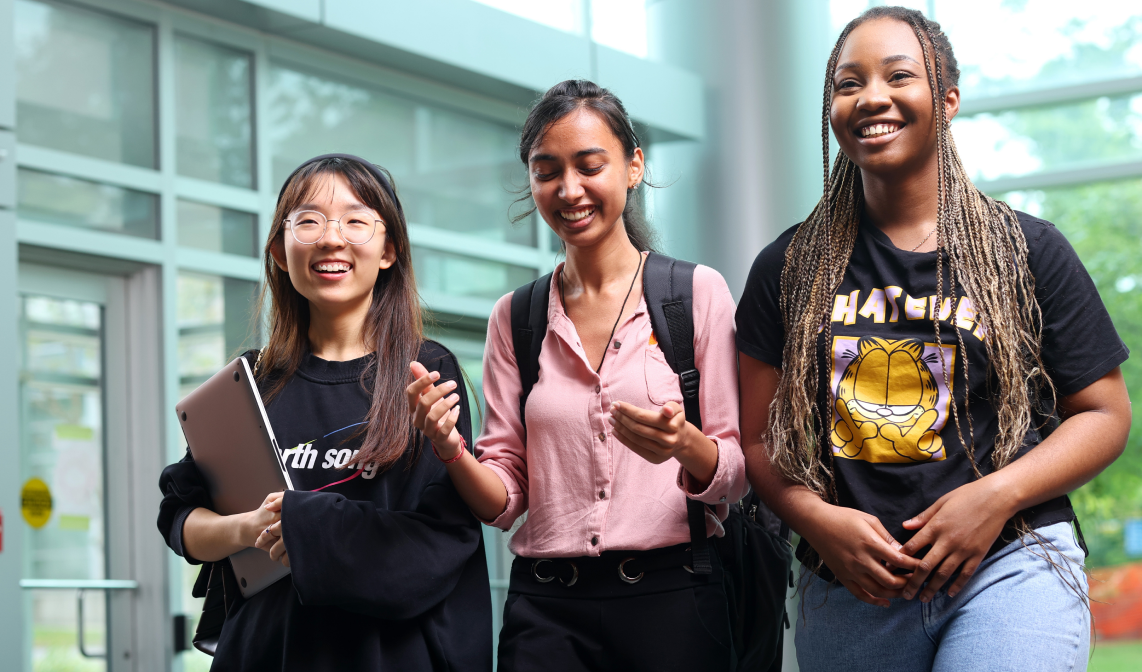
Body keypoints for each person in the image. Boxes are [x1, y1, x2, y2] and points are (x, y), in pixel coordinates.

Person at [736, 7, 1132, 671]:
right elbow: (756, 440)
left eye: (898, 76)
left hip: (1010, 562)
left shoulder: (1027, 251)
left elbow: (1104, 414)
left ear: (946, 101)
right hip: (852, 587)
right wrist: (816, 519)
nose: (872, 98)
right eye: (847, 83)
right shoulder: (788, 268)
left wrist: (996, 495)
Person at [407, 80, 748, 672]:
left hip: (673, 599)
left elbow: (737, 472)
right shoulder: (516, 317)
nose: (569, 190)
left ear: (633, 166)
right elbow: (505, 500)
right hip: (547, 611)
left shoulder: (693, 294)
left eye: (590, 166)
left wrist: (685, 446)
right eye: (547, 171)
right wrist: (450, 449)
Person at [157, 154, 491, 671]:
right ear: (280, 251)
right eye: (309, 221)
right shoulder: (251, 382)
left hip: (384, 656)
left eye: (356, 221)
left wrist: (304, 524)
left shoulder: (423, 369)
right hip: (267, 652)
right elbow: (182, 520)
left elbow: (439, 544)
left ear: (389, 251)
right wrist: (254, 527)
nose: (332, 239)